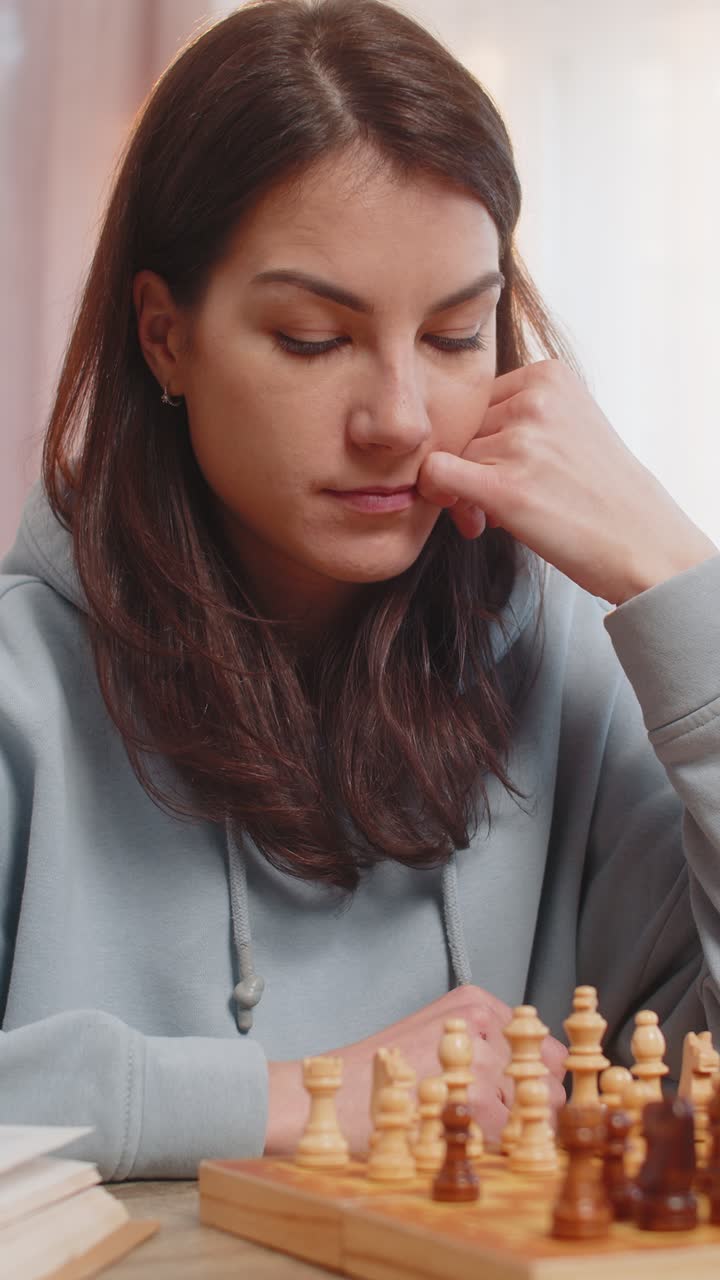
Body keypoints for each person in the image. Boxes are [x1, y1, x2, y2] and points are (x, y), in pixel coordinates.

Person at [1, 0, 718, 1183]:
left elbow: (690, 1100)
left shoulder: (565, 670)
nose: (396, 418)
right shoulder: (27, 685)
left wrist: (681, 578)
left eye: (455, 335)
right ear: (164, 335)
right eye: (310, 337)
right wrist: (290, 1097)